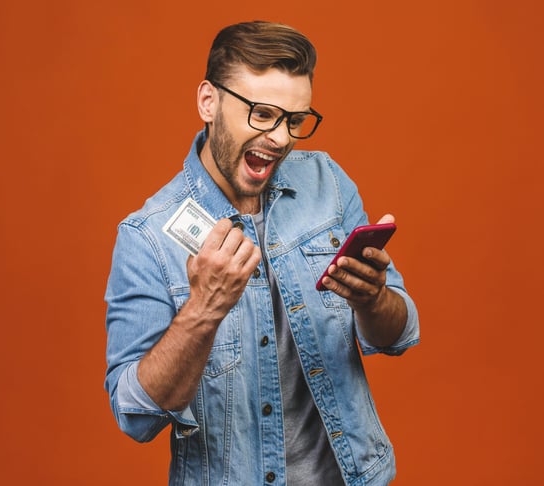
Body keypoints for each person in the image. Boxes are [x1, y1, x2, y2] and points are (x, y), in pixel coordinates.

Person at [104, 20, 419, 486]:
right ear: (208, 102)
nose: (281, 138)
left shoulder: (328, 183)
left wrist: (373, 300)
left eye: (295, 120)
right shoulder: (147, 235)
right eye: (263, 114)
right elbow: (134, 414)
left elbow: (399, 331)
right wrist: (202, 311)